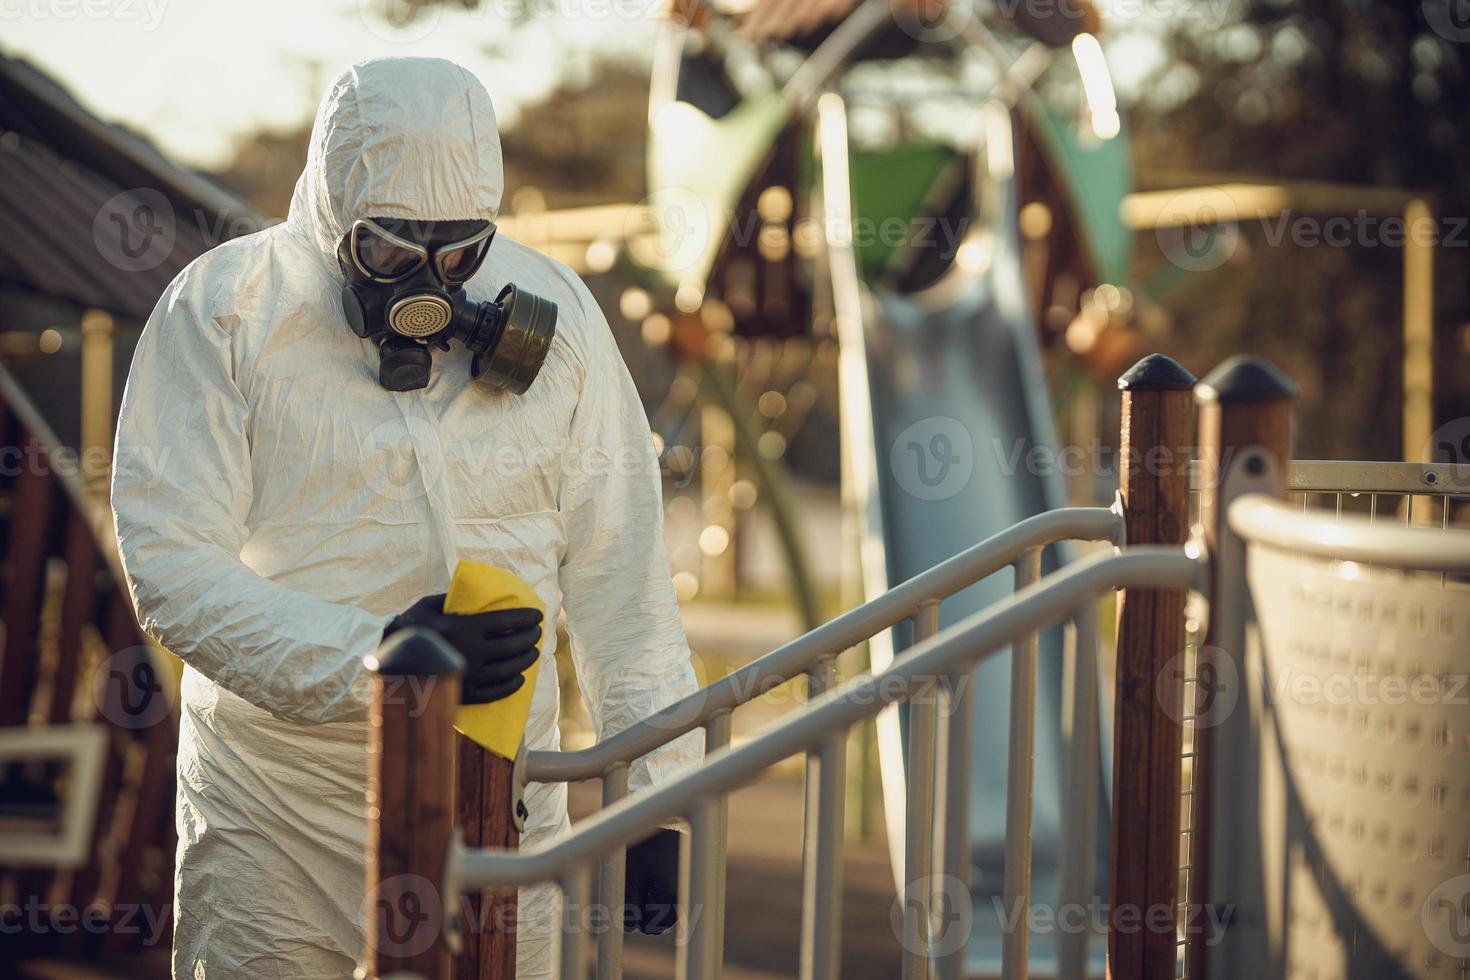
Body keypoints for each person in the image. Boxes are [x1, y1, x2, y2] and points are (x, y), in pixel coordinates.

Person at [111, 56, 700, 979]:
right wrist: (380, 658)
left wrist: (661, 799)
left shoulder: (564, 323)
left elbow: (622, 580)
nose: (425, 280)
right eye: (389, 250)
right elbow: (173, 568)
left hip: (497, 818)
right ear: (331, 210)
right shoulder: (225, 310)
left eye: (457, 252)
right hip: (275, 818)